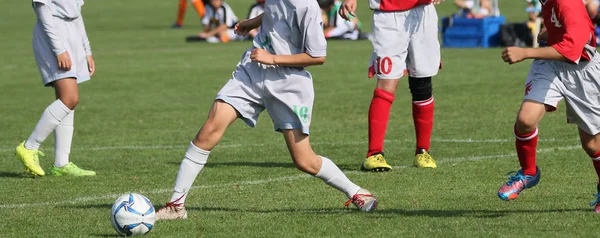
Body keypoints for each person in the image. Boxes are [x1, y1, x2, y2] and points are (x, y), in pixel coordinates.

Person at [155, 0, 378, 220]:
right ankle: (176, 205)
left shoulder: (308, 7)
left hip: (288, 83)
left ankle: (356, 192)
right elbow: (276, 11)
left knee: (305, 160)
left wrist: (272, 58)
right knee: (210, 129)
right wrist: (252, 23)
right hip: (252, 71)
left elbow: (318, 56)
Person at [497, 0, 600, 213]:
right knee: (526, 120)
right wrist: (552, 32)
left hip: (582, 70)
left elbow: (572, 49)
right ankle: (528, 172)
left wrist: (525, 53)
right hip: (550, 66)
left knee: (592, 145)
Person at [339, 0, 443, 171]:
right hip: (388, 16)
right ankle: (374, 154)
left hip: (423, 12)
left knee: (422, 83)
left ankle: (422, 151)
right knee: (386, 83)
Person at [16, 0, 96, 177]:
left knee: (66, 99)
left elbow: (77, 13)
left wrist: (86, 50)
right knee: (70, 98)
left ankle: (61, 163)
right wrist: (59, 48)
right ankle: (29, 147)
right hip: (53, 35)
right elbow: (42, 10)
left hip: (72, 36)